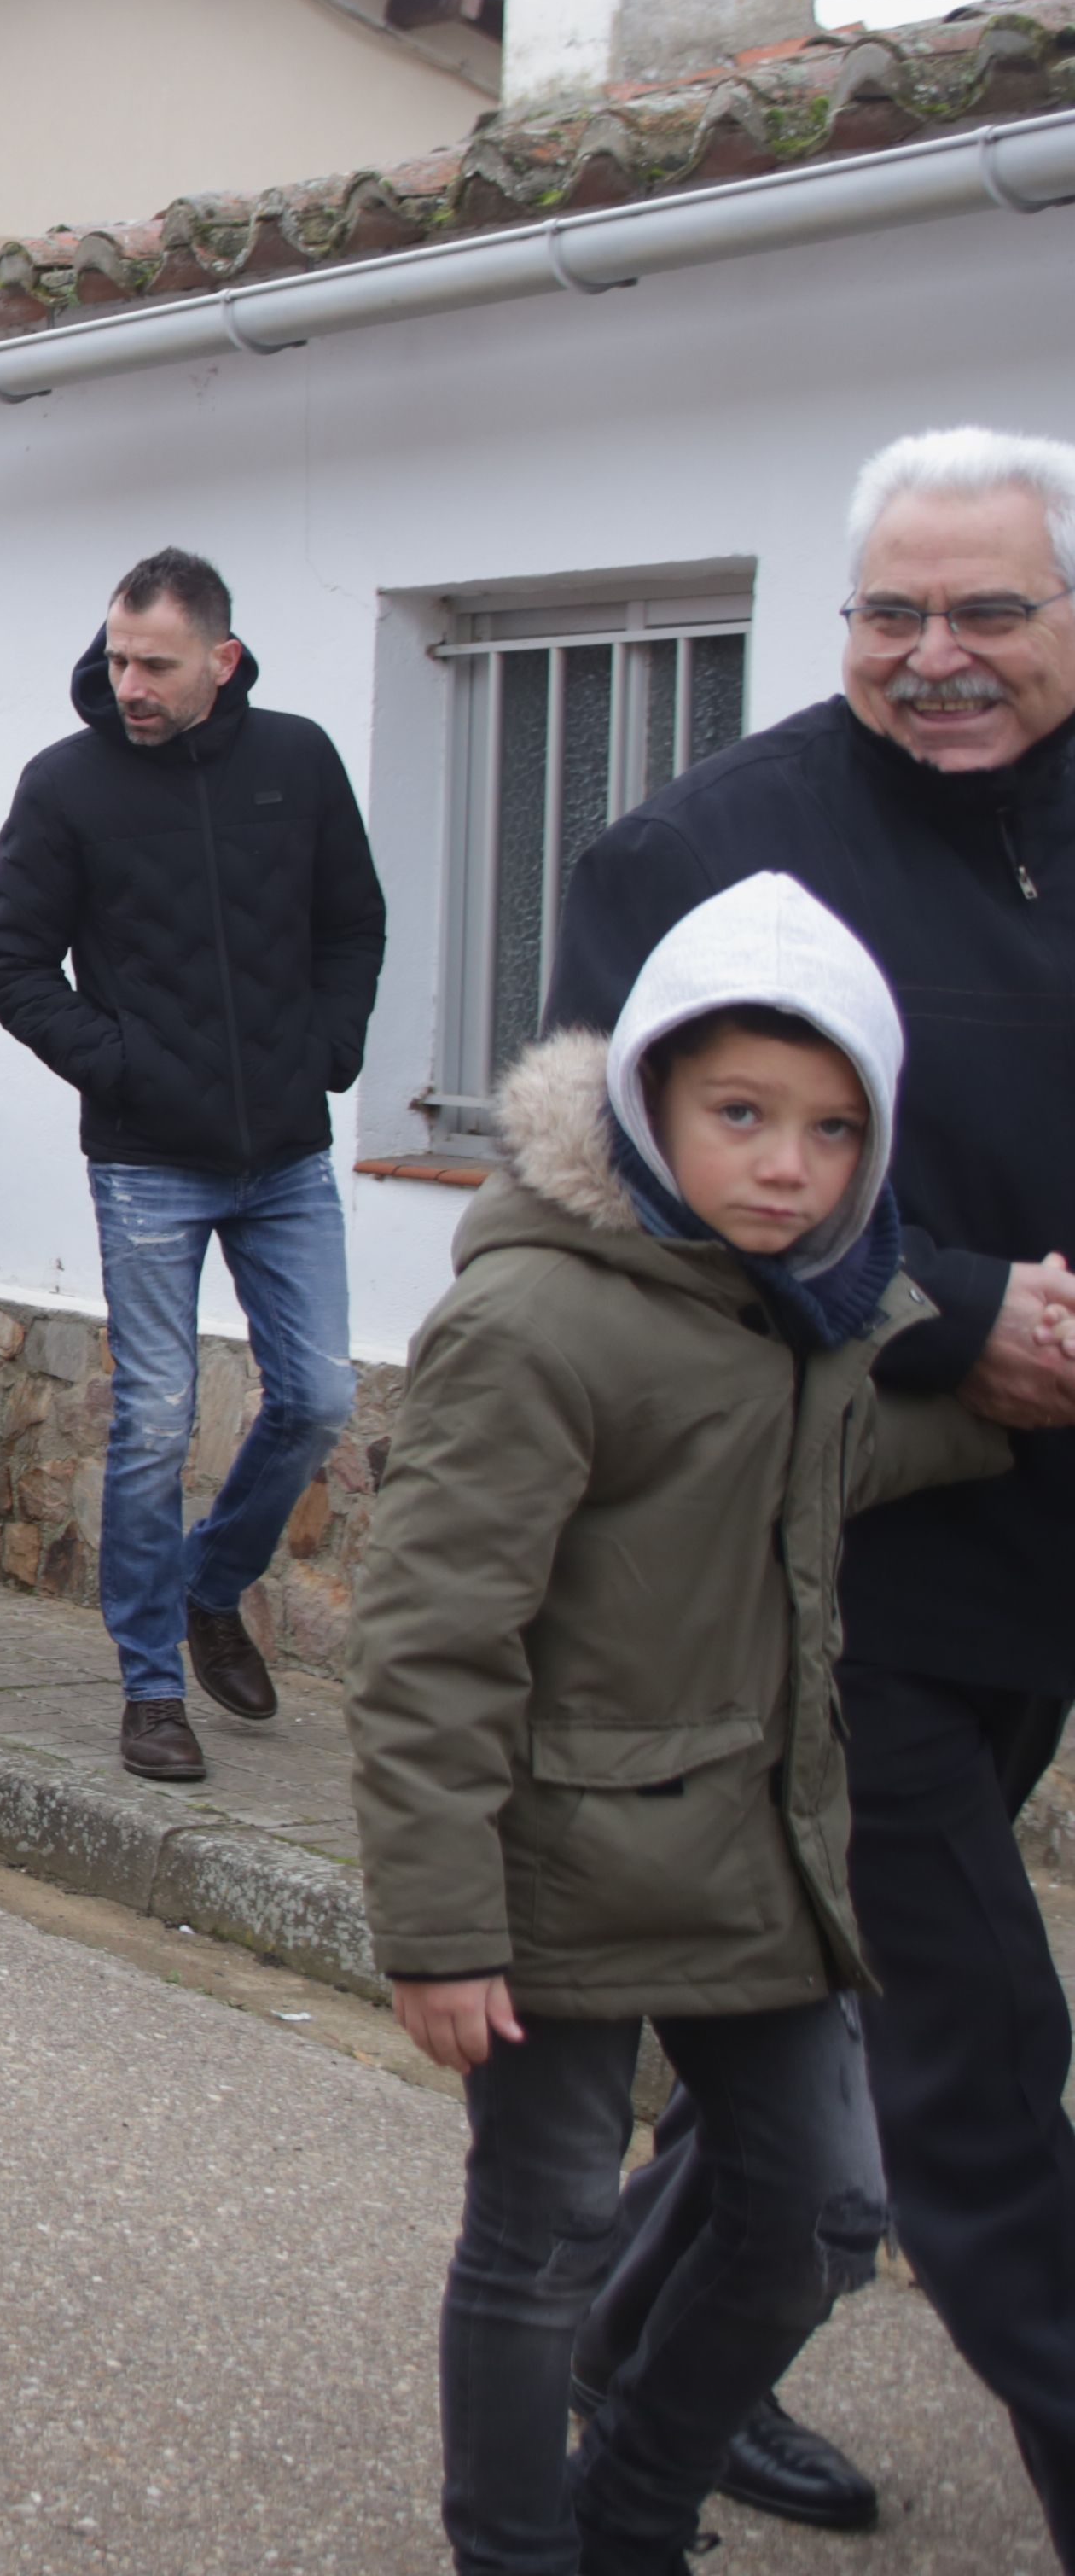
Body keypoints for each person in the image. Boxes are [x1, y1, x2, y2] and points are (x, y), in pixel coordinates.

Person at [538, 428, 1075, 2551]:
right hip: (834, 1568)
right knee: (972, 2064)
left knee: (845, 2007)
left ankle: (644, 2337)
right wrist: (948, 1308)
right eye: (888, 615)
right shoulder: (702, 856)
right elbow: (629, 1188)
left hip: (1044, 1552)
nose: (932, 657)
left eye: (986, 615)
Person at [352, 875, 1005, 2576]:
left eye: (832, 1128)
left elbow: (846, 1463)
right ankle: (520, 2553)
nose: (789, 1164)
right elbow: (432, 1643)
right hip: (553, 1878)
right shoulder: (537, 1320)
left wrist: (1008, 1406)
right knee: (545, 2234)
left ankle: (630, 2506)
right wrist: (439, 1925)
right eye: (742, 1114)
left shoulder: (802, 1318)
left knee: (820, 2218)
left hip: (750, 1863)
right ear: (647, 1102)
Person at [0, 547, 386, 1783]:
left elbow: (351, 923)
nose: (130, 684)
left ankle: (215, 1586)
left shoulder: (298, 762)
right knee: (153, 1424)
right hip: (151, 1157)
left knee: (317, 1397)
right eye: (116, 659)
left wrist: (328, 1047)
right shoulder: (67, 785)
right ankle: (152, 1686)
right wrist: (125, 1066)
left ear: (223, 659)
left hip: (286, 1157)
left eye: (155, 663)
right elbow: (11, 968)